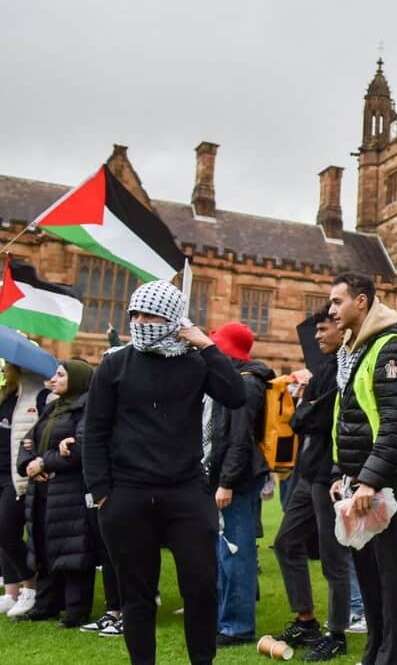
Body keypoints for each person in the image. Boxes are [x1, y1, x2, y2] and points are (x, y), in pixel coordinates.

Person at [84, 280, 247, 665]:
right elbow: (95, 430)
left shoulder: (195, 362)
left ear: (173, 318)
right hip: (127, 493)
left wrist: (207, 346)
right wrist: (102, 493)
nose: (141, 322)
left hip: (185, 490)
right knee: (137, 595)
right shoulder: (114, 364)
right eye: (136, 314)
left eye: (151, 315)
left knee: (201, 586)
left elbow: (235, 394)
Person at [327, 272, 397, 665]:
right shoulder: (356, 348)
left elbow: (396, 422)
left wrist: (369, 480)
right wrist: (341, 473)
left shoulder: (391, 346)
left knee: (393, 578)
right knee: (369, 577)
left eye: (338, 301)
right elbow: (351, 417)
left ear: (361, 301)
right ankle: (373, 652)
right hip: (361, 480)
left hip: (389, 480)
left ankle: (389, 655)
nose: (331, 310)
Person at [272, 305, 354, 660]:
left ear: (341, 329)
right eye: (316, 329)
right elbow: (302, 418)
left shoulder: (343, 369)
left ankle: (337, 633)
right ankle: (306, 620)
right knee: (286, 542)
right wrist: (307, 407)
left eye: (323, 329)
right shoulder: (323, 369)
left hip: (330, 474)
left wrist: (306, 407)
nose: (318, 335)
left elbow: (311, 419)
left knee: (334, 557)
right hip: (309, 472)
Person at [204, 322, 273, 646]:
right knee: (225, 552)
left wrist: (227, 482)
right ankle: (226, 619)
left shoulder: (245, 384)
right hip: (227, 477)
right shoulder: (233, 380)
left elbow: (240, 439)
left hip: (238, 481)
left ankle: (237, 626)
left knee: (236, 554)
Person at [15, 359, 95, 626]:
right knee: (43, 545)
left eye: (61, 375)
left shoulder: (85, 409)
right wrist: (29, 465)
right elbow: (28, 441)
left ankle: (76, 609)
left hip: (69, 490)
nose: (54, 380)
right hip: (42, 489)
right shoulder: (52, 407)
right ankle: (46, 604)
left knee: (72, 548)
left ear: (77, 378)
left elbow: (80, 448)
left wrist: (44, 462)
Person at [0, 363, 45, 618]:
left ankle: (31, 585)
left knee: (6, 530)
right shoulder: (6, 395)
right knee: (4, 535)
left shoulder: (37, 396)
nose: (4, 369)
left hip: (16, 476)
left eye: (8, 366)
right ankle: (11, 592)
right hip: (0, 471)